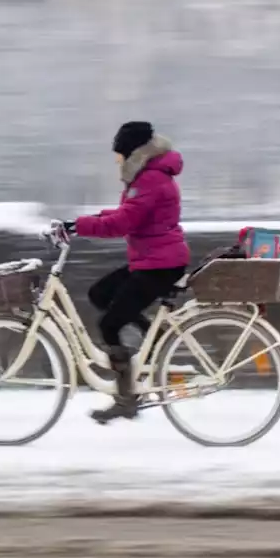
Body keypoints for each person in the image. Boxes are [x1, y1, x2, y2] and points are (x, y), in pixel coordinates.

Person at [63, 121, 190, 424]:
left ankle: (126, 399)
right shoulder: (148, 177)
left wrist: (79, 225)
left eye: (119, 153)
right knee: (100, 294)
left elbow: (123, 223)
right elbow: (125, 215)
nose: (116, 160)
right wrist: (79, 222)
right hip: (151, 260)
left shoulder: (150, 179)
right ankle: (153, 337)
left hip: (160, 265)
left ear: (132, 152)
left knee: (109, 324)